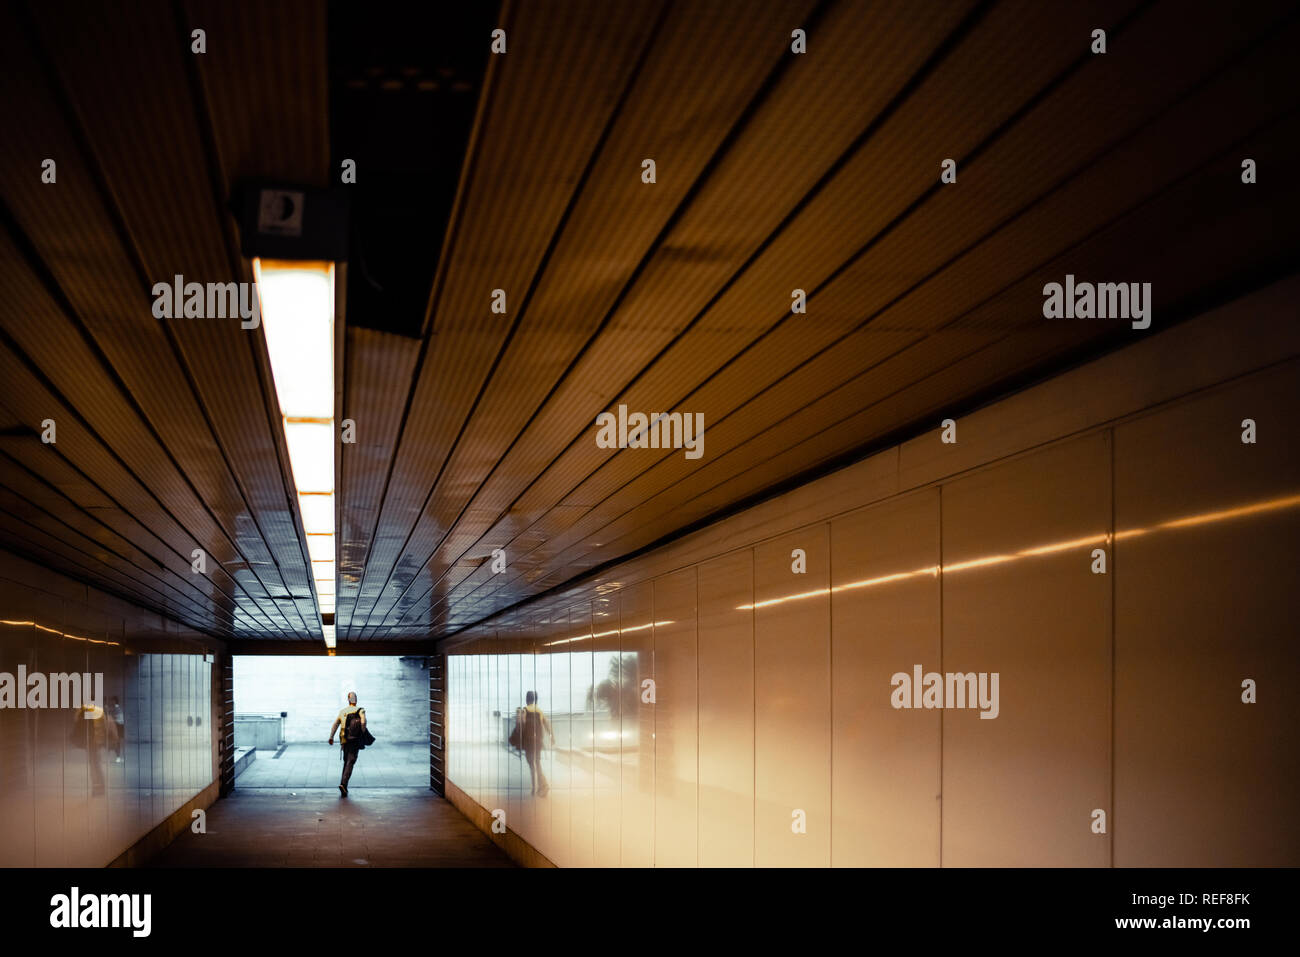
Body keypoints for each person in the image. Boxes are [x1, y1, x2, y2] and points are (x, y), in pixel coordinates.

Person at [327, 692, 366, 797]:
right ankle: (343, 784)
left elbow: (335, 724)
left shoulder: (343, 711)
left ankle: (344, 785)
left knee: (346, 762)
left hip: (344, 740)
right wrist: (363, 732)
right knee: (351, 761)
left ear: (348, 700)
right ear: (355, 700)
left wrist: (331, 737)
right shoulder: (360, 710)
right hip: (354, 740)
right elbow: (363, 722)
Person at [521, 691, 554, 797]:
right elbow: (547, 724)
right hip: (538, 742)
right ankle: (542, 786)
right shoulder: (539, 711)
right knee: (537, 764)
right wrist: (552, 736)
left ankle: (536, 787)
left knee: (532, 765)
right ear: (534, 699)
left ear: (526, 699)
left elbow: (521, 725)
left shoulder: (524, 710)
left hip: (529, 743)